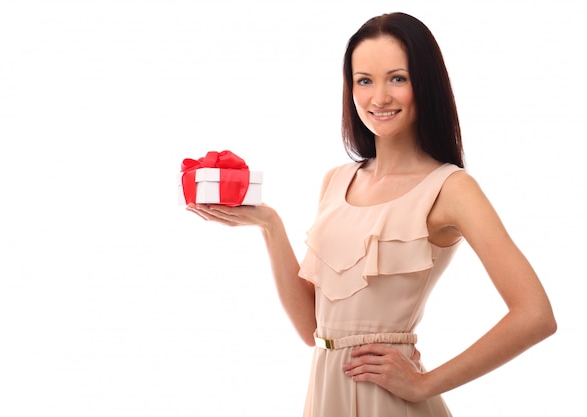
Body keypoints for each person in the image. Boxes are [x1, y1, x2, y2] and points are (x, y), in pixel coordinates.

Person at [186, 12, 556, 417]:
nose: (379, 97)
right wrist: (269, 226)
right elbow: (314, 330)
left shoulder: (451, 188)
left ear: (425, 84)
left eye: (397, 78)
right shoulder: (336, 181)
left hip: (392, 403)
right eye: (365, 80)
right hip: (325, 396)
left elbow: (535, 315)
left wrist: (424, 384)